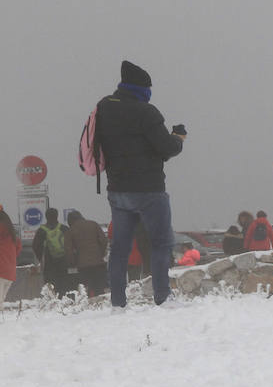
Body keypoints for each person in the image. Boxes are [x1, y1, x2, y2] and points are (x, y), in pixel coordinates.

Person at [96, 60, 186, 308]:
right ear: (141, 88)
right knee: (160, 243)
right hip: (149, 190)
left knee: (120, 248)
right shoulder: (147, 112)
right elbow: (166, 148)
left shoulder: (104, 107)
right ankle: (163, 296)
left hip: (117, 190)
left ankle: (117, 303)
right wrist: (178, 138)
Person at [65, 210, 109, 300]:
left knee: (85, 289)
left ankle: (89, 308)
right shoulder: (93, 224)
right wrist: (100, 253)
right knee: (99, 288)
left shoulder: (71, 230)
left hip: (83, 265)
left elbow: (68, 250)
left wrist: (72, 263)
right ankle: (101, 307)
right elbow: (104, 240)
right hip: (98, 263)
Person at [32, 207, 72, 296]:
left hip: (49, 262)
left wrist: (41, 258)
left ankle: (52, 301)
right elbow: (71, 243)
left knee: (50, 283)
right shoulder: (63, 228)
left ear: (46, 217)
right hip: (63, 260)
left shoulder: (42, 230)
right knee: (63, 281)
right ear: (57, 216)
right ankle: (63, 299)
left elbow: (35, 246)